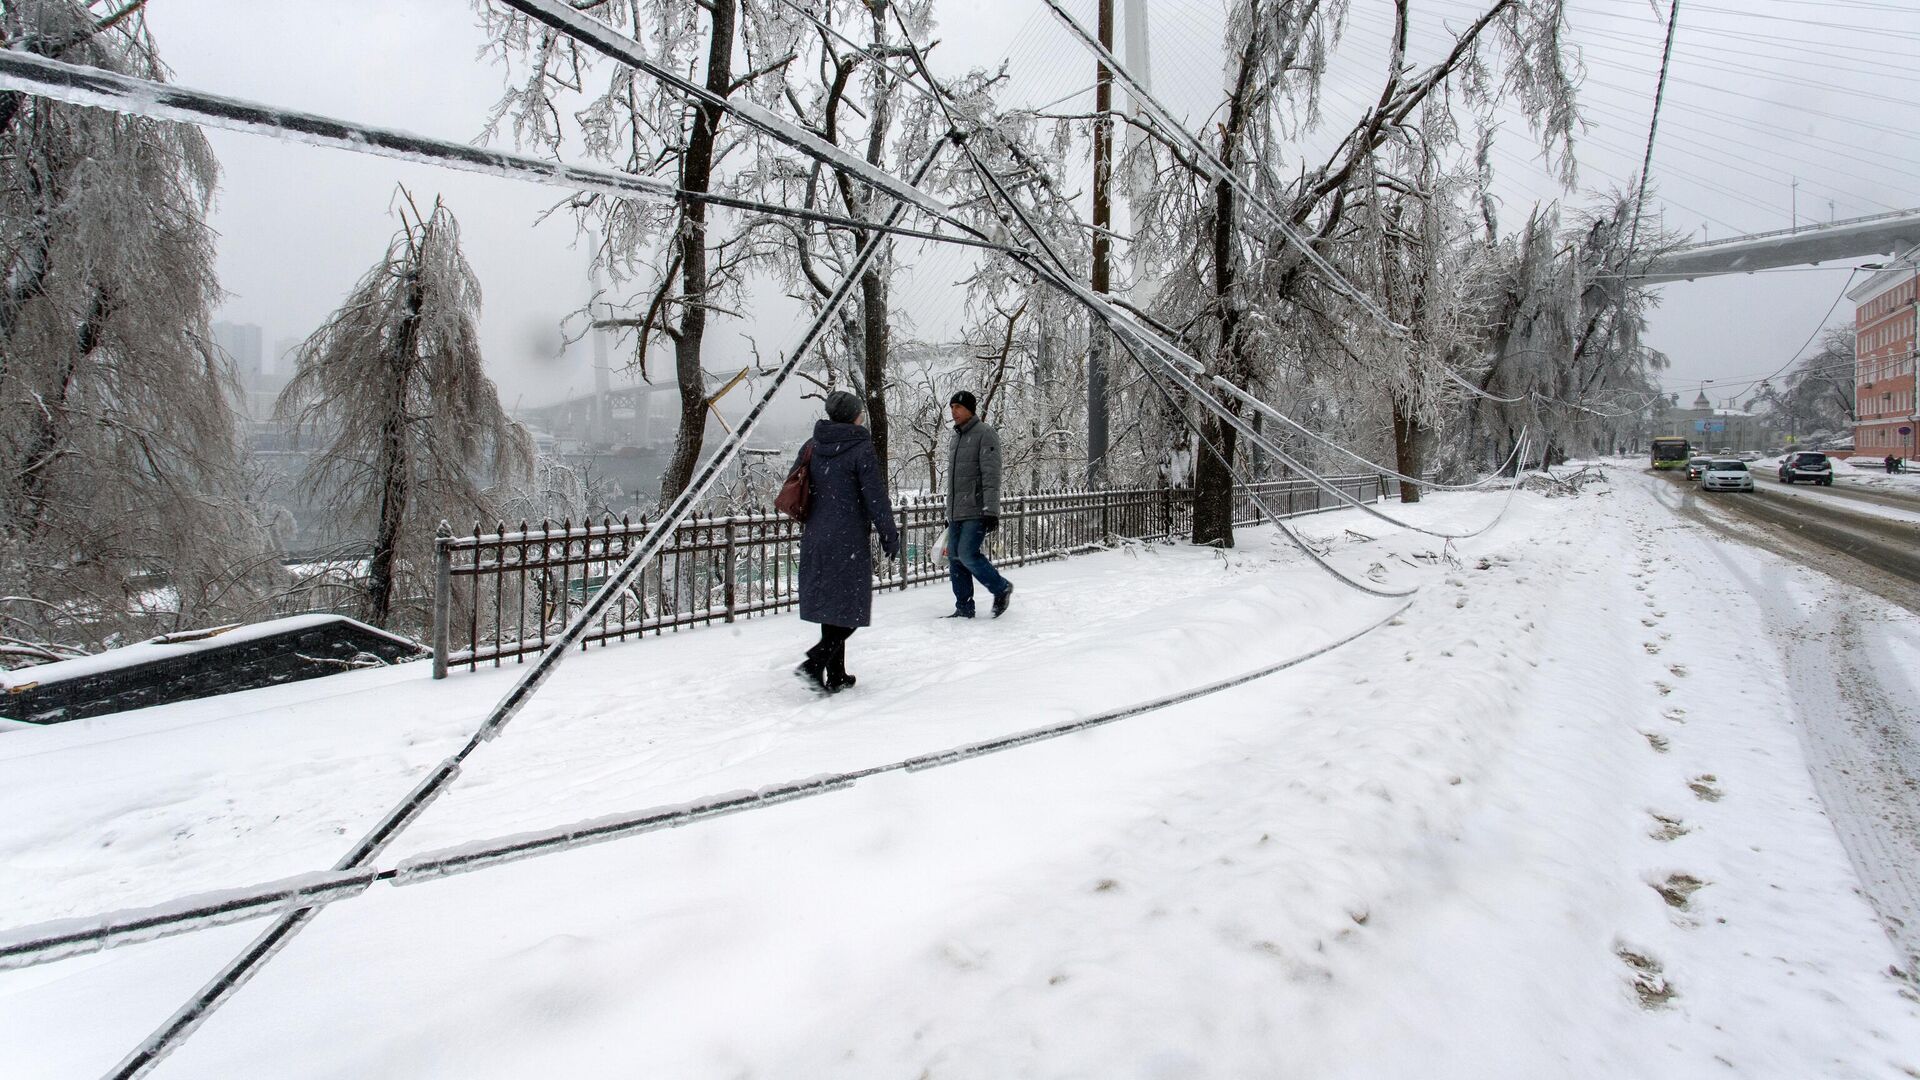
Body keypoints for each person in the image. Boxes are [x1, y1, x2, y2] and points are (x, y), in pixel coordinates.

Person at [795, 391, 899, 693]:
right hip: (848, 539)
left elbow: (796, 482)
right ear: (854, 415)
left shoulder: (812, 446)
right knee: (852, 607)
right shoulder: (860, 448)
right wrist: (888, 534)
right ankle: (814, 663)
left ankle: (836, 675)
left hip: (817, 535)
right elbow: (876, 498)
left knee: (833, 607)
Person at [942, 390, 1013, 619]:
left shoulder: (985, 434)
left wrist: (991, 510)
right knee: (954, 557)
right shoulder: (956, 437)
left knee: (967, 554)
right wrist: (949, 511)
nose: (954, 411)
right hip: (957, 510)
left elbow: (991, 475)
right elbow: (954, 480)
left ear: (970, 409)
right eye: (952, 407)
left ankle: (1000, 587)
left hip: (977, 508)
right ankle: (964, 606)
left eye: (958, 407)